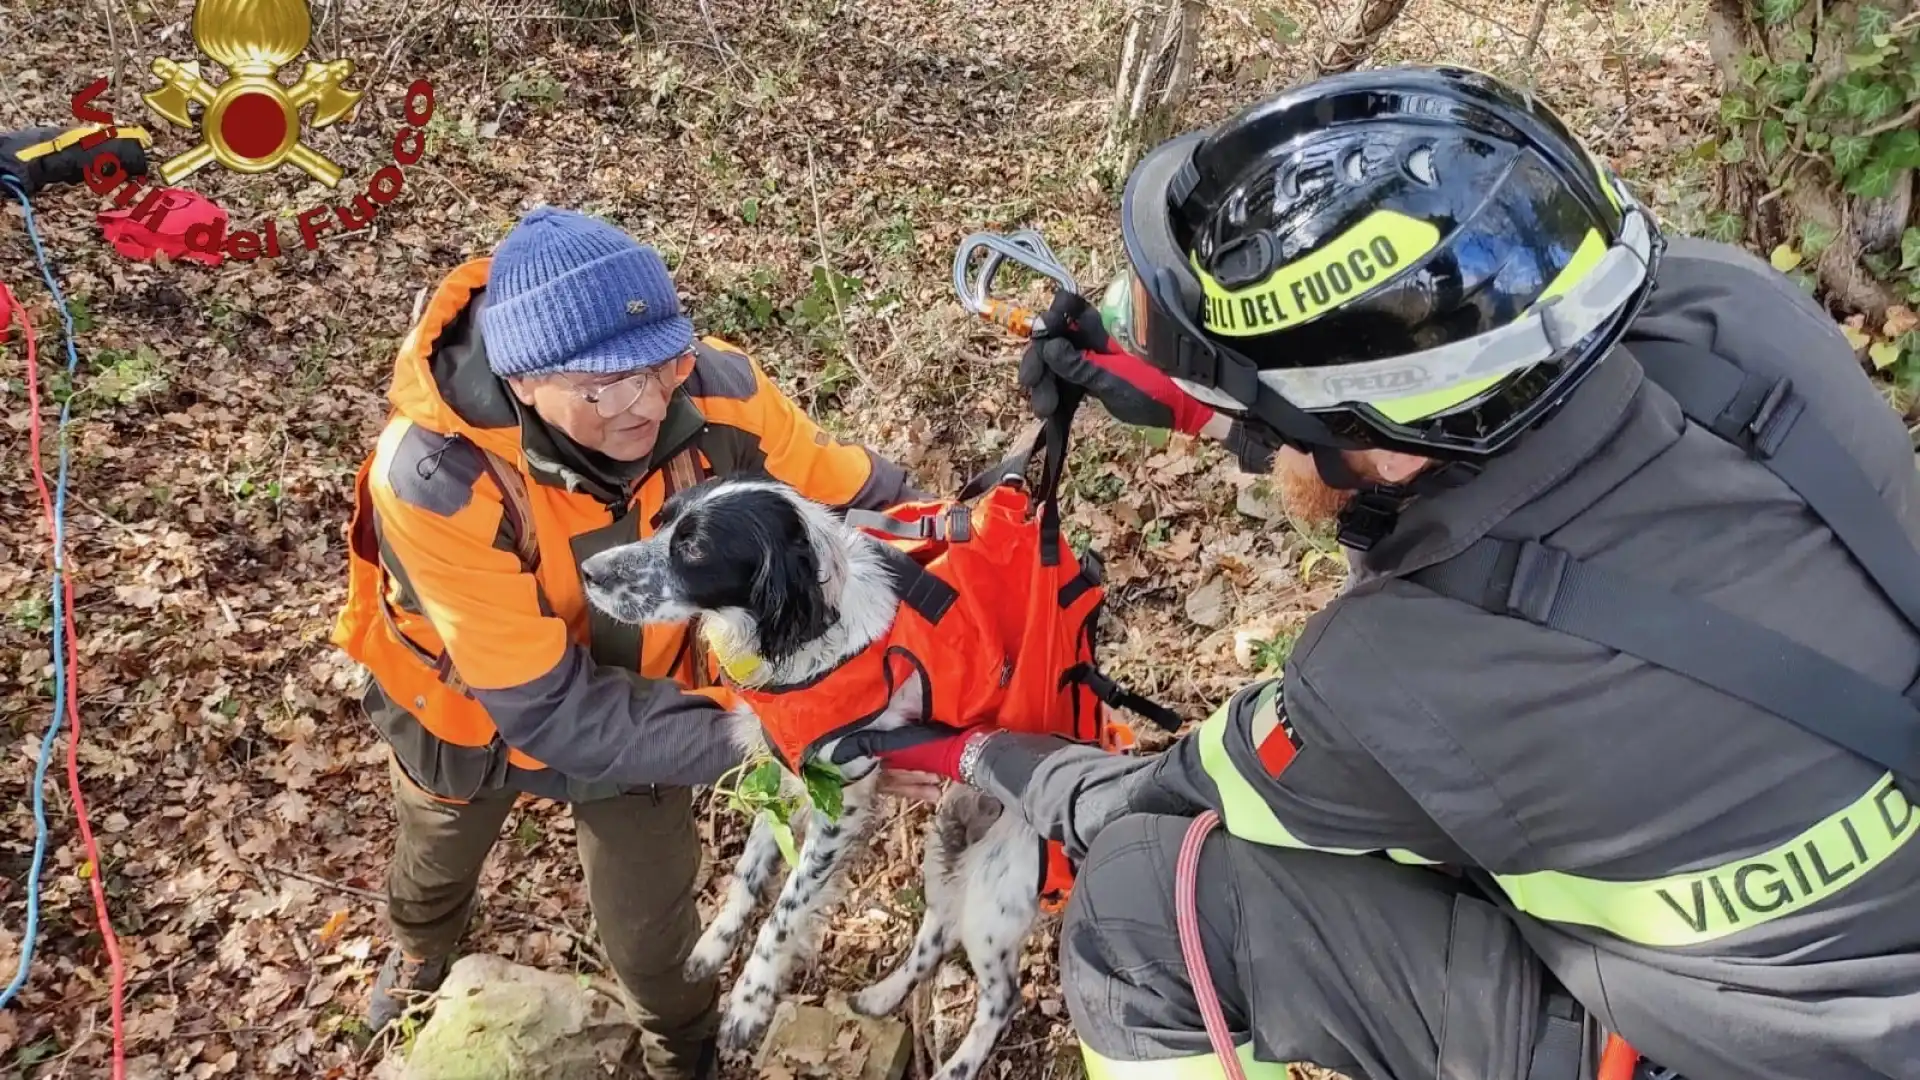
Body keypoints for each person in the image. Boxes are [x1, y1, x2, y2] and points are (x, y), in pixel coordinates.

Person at [867, 66, 1920, 1080]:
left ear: (1392, 444)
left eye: (1265, 420)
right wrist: (1203, 399)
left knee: (1144, 906)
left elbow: (1174, 791)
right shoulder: (1733, 307)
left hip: (1771, 1050)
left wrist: (975, 755)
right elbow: (1484, 491)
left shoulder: (1387, 677)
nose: (1253, 438)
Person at [330, 206, 921, 1078]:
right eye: (602, 384)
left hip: (650, 707)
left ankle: (681, 1054)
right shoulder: (431, 478)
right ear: (525, 381)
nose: (646, 402)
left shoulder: (719, 392)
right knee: (435, 858)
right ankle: (422, 949)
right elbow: (550, 709)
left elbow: (865, 504)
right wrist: (791, 735)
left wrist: (980, 552)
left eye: (660, 365)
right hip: (462, 714)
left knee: (654, 938)